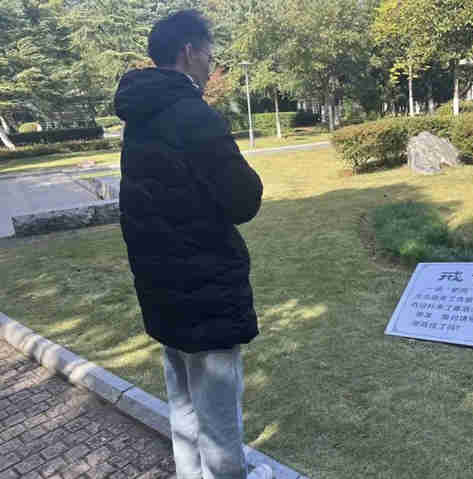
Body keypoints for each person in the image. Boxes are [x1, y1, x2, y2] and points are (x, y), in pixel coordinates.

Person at [114, 9, 271, 479]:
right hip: (206, 290)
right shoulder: (193, 115)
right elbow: (244, 199)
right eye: (208, 54)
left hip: (161, 288)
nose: (210, 64)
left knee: (183, 406)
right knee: (220, 419)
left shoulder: (139, 117)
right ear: (188, 52)